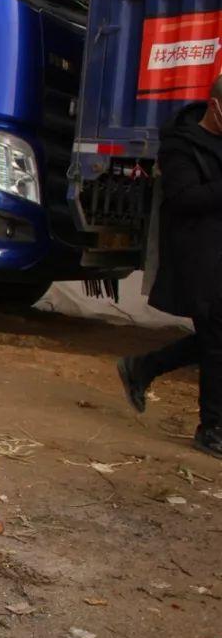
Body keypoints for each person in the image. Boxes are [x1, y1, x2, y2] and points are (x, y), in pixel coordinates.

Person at [117, 75, 222, 458]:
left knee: (216, 339)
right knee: (216, 342)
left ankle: (143, 368)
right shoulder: (181, 145)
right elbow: (184, 199)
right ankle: (212, 428)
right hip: (200, 256)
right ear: (214, 107)